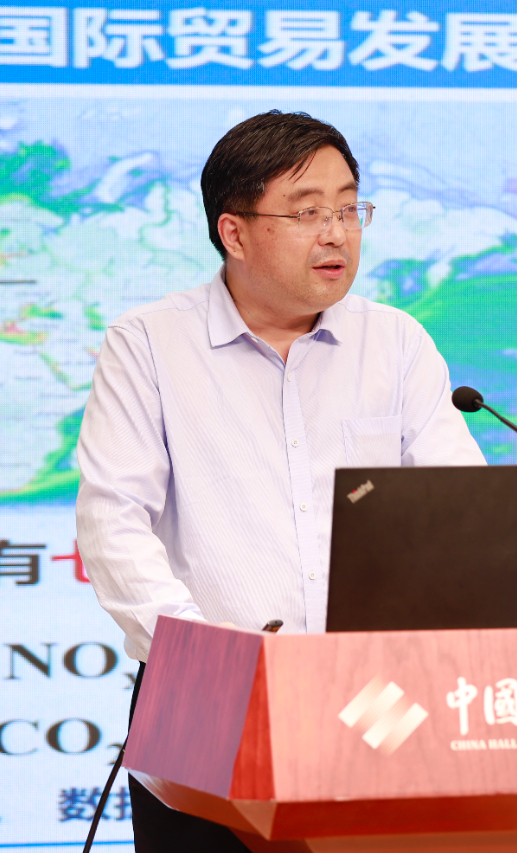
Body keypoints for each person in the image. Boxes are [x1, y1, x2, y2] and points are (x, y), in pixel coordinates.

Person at [75, 111, 485, 852]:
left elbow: (460, 513)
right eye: (307, 213)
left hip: (375, 696)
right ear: (234, 233)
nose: (337, 234)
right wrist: (215, 670)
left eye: (348, 208)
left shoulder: (395, 342)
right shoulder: (149, 344)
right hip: (206, 701)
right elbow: (114, 523)